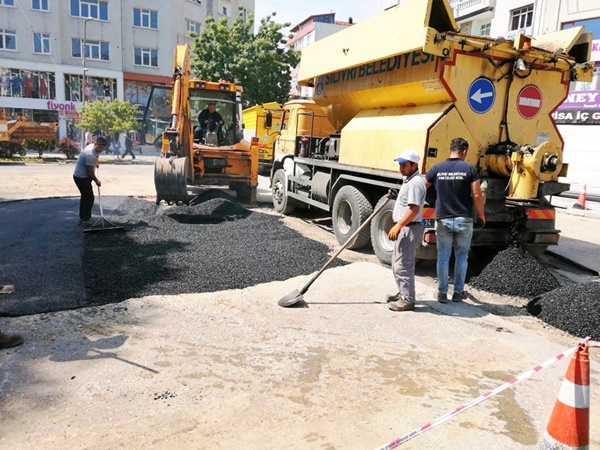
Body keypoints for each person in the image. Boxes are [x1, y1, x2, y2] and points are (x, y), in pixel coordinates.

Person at [424, 137, 485, 303]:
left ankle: (442, 293)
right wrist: (481, 215)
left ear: (450, 149)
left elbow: (422, 186)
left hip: (443, 218)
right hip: (464, 219)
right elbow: (477, 195)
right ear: (464, 151)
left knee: (443, 256)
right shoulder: (470, 169)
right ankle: (458, 293)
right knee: (462, 256)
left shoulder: (437, 168)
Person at [386, 150, 427, 312]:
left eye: (404, 165)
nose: (401, 167)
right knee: (397, 264)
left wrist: (399, 225)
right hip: (406, 227)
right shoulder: (408, 180)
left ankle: (408, 299)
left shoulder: (415, 183)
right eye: (400, 164)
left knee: (404, 265)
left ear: (414, 165)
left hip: (409, 229)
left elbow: (414, 209)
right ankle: (403, 292)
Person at [73, 136, 106, 225]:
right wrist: (97, 181)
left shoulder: (93, 148)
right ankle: (86, 219)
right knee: (89, 198)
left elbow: (96, 155)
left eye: (103, 148)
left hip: (83, 176)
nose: (101, 149)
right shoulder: (90, 154)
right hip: (81, 177)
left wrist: (96, 163)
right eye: (100, 147)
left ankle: (83, 217)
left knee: (85, 197)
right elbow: (90, 172)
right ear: (96, 144)